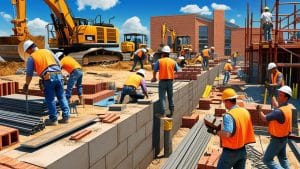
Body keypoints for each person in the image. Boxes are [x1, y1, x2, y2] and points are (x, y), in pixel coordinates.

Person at [22, 40, 70, 126]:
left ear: (29, 49)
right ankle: (66, 117)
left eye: (27, 51)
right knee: (62, 96)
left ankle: (54, 120)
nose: (28, 53)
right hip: (59, 75)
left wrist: (26, 85)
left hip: (48, 78)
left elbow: (29, 74)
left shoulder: (32, 57)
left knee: (50, 98)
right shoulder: (47, 51)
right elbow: (58, 63)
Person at [207, 88, 255, 169]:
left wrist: (215, 131)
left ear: (228, 101)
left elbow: (227, 133)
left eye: (224, 102)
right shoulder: (245, 111)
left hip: (230, 152)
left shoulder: (229, 115)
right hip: (242, 151)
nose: (224, 104)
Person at [257, 85, 292, 169]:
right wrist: (272, 95)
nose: (278, 96)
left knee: (267, 160)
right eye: (278, 94)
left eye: (280, 95)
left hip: (277, 140)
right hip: (284, 138)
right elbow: (277, 105)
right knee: (283, 158)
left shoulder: (279, 112)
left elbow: (264, 118)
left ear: (286, 98)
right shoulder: (287, 107)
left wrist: (259, 110)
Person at [151, 45, 180, 118]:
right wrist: (174, 76)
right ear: (169, 54)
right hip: (170, 81)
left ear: (163, 53)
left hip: (162, 81)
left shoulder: (159, 61)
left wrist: (154, 78)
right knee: (170, 97)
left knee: (162, 97)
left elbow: (154, 70)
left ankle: (162, 113)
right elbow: (179, 70)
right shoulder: (173, 61)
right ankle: (171, 112)